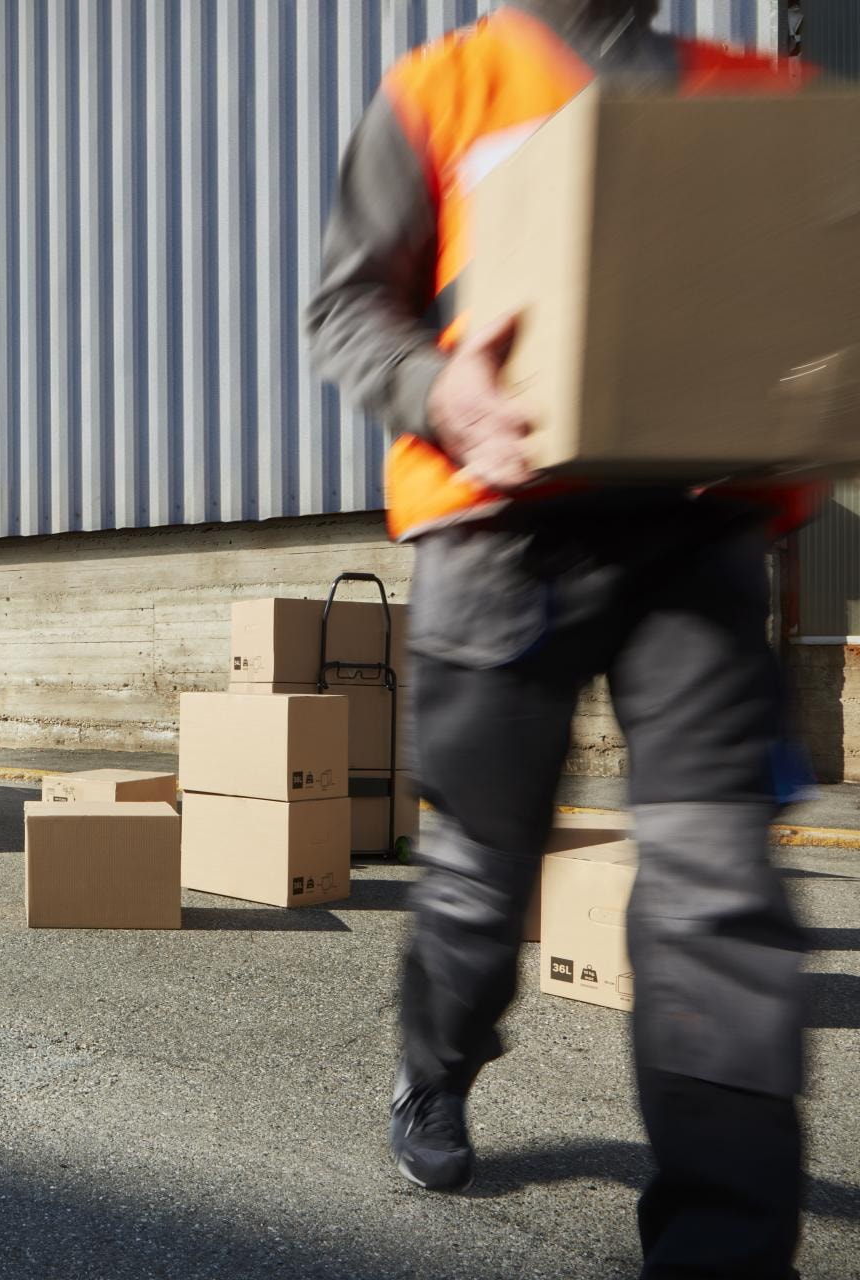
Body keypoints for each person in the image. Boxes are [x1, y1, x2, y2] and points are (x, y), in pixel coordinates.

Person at [307, 3, 815, 1276]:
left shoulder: (755, 94)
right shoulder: (441, 91)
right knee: (481, 882)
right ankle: (435, 1066)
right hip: (500, 539)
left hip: (697, 535)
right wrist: (439, 388)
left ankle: (723, 1245)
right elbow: (348, 306)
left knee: (717, 892)